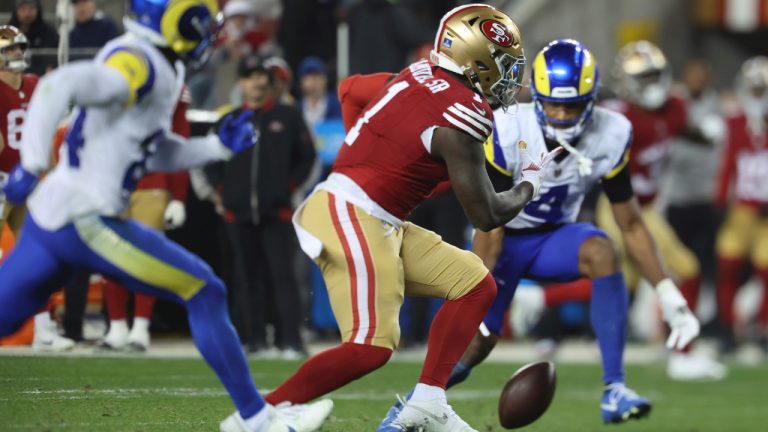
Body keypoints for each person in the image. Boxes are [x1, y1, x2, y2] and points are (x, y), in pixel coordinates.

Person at [0, 1, 332, 431]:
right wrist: (29, 163)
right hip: (86, 219)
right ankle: (255, 418)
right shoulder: (139, 62)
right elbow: (56, 86)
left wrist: (214, 149)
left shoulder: (157, 62)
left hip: (54, 217)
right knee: (205, 289)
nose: (208, 30)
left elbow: (152, 148)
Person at [264, 5, 557, 432]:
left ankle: (428, 400)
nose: (510, 78)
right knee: (372, 347)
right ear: (474, 61)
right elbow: (487, 214)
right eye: (503, 65)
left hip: (380, 215)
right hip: (353, 210)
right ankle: (263, 413)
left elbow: (350, 90)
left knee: (475, 285)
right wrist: (531, 181)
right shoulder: (465, 114)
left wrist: (363, 149)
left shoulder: (417, 73)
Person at [388, 38, 700, 426]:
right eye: (553, 102)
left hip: (555, 238)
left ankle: (615, 389)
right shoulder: (507, 127)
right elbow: (490, 220)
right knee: (478, 340)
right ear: (536, 95)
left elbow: (631, 221)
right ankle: (407, 411)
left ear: (591, 99)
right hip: (502, 237)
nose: (561, 114)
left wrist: (667, 291)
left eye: (571, 105)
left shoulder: (613, 131)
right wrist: (477, 286)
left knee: (603, 251)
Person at [599, 40, 726, 380]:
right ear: (626, 82)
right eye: (641, 78)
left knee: (615, 282)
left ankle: (538, 296)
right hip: (618, 206)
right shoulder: (616, 116)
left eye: (654, 75)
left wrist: (708, 136)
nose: (650, 84)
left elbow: (681, 129)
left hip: (647, 209)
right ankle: (683, 355)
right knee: (686, 268)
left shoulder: (674, 109)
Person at [207, 54, 316, 359]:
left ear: (268, 83)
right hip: (238, 213)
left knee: (283, 277)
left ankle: (291, 340)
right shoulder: (228, 120)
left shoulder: (288, 116)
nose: (256, 82)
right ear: (241, 82)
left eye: (261, 76)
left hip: (277, 211)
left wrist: (289, 188)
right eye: (249, 76)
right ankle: (255, 340)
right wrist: (221, 191)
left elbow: (306, 157)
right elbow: (209, 160)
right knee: (247, 278)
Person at [0, 24, 75, 352]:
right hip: (2, 179)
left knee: (38, 257)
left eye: (19, 48)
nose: (17, 55)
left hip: (28, 180)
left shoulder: (35, 85)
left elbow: (47, 132)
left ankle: (44, 330)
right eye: (10, 50)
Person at [100, 88, 192, 352]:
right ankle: (116, 327)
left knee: (146, 258)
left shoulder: (170, 81)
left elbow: (180, 139)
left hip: (152, 182)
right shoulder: (116, 73)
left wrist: (179, 195)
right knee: (110, 256)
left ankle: (140, 327)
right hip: (113, 181)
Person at [715, 56, 768, 355]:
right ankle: (727, 329)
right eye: (755, 89)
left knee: (766, 269)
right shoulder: (734, 122)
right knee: (727, 266)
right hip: (742, 209)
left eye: (762, 90)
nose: (757, 96)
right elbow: (726, 166)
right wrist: (720, 202)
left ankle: (763, 329)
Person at [7, 0, 59, 75]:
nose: (27, 14)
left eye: (31, 9)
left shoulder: (48, 32)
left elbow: (53, 59)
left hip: (41, 79)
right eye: (23, 9)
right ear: (15, 11)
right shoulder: (8, 32)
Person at [297, 56, 341, 131]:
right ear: (301, 82)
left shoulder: (338, 104)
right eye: (309, 76)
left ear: (325, 79)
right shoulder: (297, 107)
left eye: (317, 76)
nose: (314, 81)